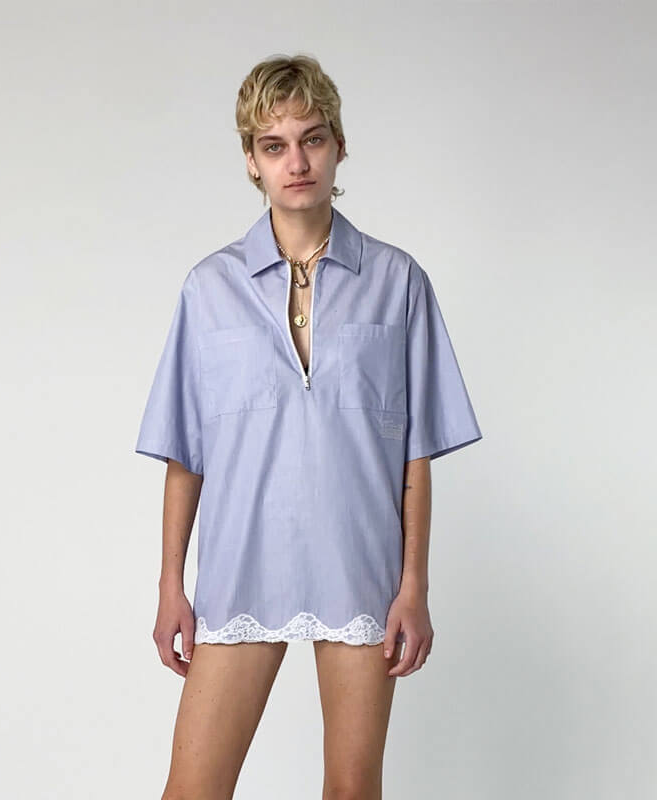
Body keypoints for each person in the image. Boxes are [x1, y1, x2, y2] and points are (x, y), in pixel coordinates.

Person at [134, 53, 483, 800]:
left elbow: (415, 454)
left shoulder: (398, 282)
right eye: (275, 145)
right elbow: (185, 453)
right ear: (251, 160)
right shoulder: (209, 288)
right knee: (192, 790)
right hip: (240, 565)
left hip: (360, 568)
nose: (296, 162)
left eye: (312, 139)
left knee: (353, 790)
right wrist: (171, 584)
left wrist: (414, 586)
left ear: (338, 146)